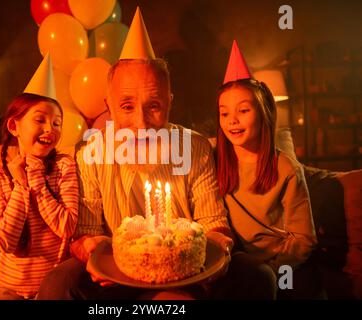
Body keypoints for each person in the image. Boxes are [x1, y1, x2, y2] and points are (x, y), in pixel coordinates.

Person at [38, 9, 276, 300]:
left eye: (154, 106)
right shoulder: (90, 153)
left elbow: (213, 222)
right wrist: (91, 252)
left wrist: (219, 248)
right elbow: (85, 233)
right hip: (117, 277)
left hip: (191, 272)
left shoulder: (195, 148)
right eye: (127, 106)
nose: (141, 123)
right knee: (59, 284)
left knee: (259, 278)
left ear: (169, 103)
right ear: (108, 106)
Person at [214, 41, 319, 299]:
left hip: (279, 263)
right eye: (224, 113)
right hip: (235, 260)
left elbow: (304, 238)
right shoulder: (214, 156)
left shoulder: (285, 168)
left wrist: (274, 271)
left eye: (243, 111)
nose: (232, 121)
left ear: (263, 114)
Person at [0, 54, 78, 299]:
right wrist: (21, 187)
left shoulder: (65, 166)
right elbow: (4, 242)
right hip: (8, 288)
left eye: (57, 123)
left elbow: (67, 227)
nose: (50, 129)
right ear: (14, 127)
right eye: (40, 120)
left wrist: (34, 178)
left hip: (52, 288)